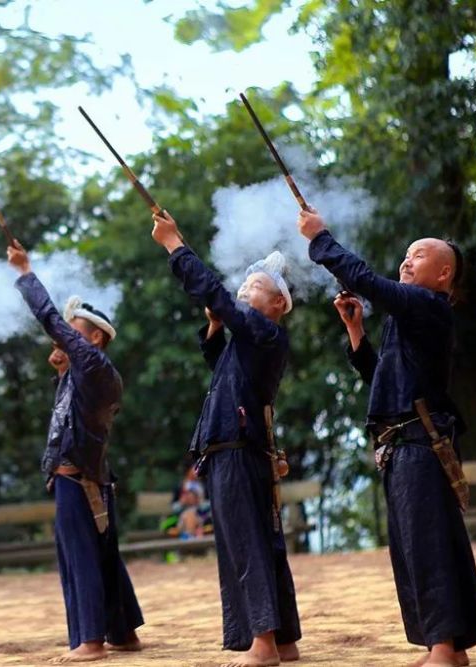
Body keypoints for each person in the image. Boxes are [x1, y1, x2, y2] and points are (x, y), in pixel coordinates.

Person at [300, 207, 476, 667]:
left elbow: (365, 280)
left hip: (419, 445)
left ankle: (444, 649)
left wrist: (321, 238)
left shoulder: (429, 306)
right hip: (403, 446)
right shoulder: (407, 320)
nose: (407, 261)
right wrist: (355, 331)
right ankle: (447, 647)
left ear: (443, 273)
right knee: (415, 547)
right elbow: (383, 381)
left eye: (419, 255)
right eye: (406, 255)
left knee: (426, 544)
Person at [151, 210, 301, 667]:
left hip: (238, 452)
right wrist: (215, 328)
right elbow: (221, 364)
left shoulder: (264, 331)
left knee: (246, 543)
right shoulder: (248, 339)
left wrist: (175, 245)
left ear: (278, 304)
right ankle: (285, 640)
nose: (245, 289)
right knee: (264, 543)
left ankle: (263, 644)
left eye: (257, 287)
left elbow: (215, 292)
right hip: (237, 450)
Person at [8, 241, 144, 664]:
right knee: (101, 557)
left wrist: (25, 273)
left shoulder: (95, 366)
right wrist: (63, 367)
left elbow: (49, 318)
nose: (64, 336)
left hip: (79, 477)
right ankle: (121, 634)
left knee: (80, 558)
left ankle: (90, 642)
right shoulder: (83, 371)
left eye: (74, 331)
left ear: (96, 337)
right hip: (87, 476)